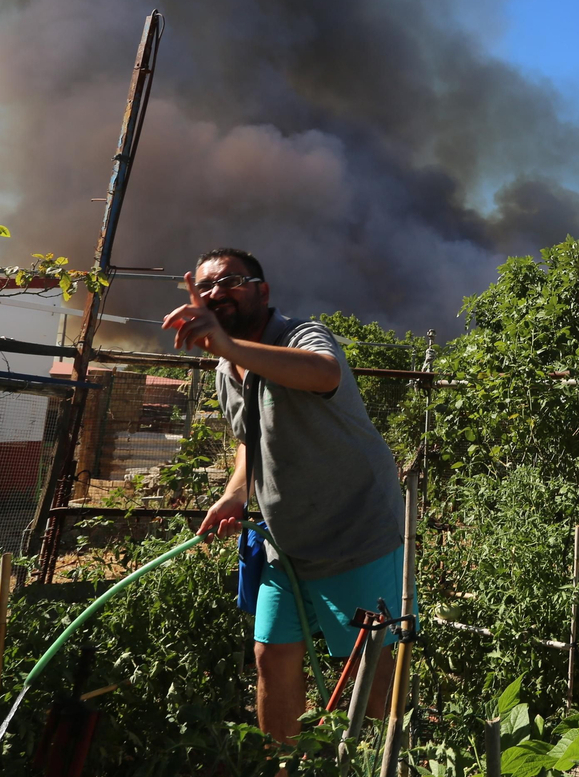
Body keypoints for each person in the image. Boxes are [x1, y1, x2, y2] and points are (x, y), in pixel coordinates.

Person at [164, 248, 409, 744]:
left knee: (370, 666)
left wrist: (229, 346)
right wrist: (235, 493)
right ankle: (283, 771)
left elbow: (324, 373)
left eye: (231, 281)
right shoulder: (225, 369)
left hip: (356, 532)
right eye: (206, 286)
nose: (216, 292)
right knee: (271, 656)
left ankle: (379, 768)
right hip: (287, 542)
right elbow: (249, 439)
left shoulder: (301, 335)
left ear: (263, 291)